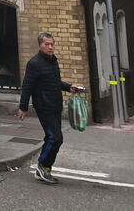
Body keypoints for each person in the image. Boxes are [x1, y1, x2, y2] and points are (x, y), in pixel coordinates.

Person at [17, 31, 84, 184]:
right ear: (40, 45)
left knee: (51, 138)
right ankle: (43, 165)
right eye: (46, 44)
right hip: (44, 107)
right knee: (56, 138)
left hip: (55, 105)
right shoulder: (34, 63)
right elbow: (27, 86)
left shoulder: (53, 61)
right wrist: (23, 107)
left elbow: (55, 82)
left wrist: (69, 87)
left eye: (52, 44)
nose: (50, 47)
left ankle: (45, 169)